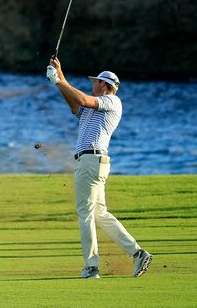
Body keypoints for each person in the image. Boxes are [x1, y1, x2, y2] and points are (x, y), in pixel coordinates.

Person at [47, 57, 152, 279]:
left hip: (91, 161)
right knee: (99, 213)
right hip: (93, 162)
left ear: (104, 85)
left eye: (96, 82)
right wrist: (59, 76)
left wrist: (59, 81)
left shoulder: (112, 102)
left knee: (84, 213)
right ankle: (137, 252)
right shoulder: (91, 107)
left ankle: (91, 267)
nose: (93, 85)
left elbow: (84, 100)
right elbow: (75, 103)